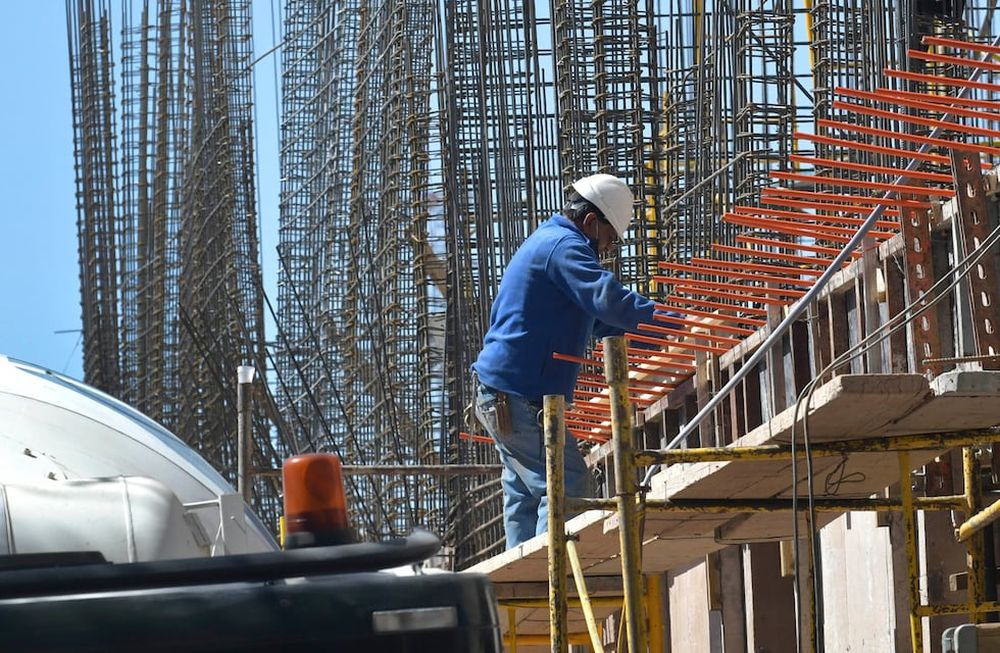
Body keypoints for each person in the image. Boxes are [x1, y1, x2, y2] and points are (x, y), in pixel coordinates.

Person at [472, 173, 677, 549]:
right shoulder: (564, 246)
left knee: (525, 495)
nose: (607, 249)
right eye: (609, 239)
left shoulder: (550, 243)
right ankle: (551, 574)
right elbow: (606, 298)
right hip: (517, 396)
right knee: (568, 485)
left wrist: (655, 336)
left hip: (503, 392)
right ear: (591, 222)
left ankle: (525, 576)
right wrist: (674, 323)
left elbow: (599, 320)